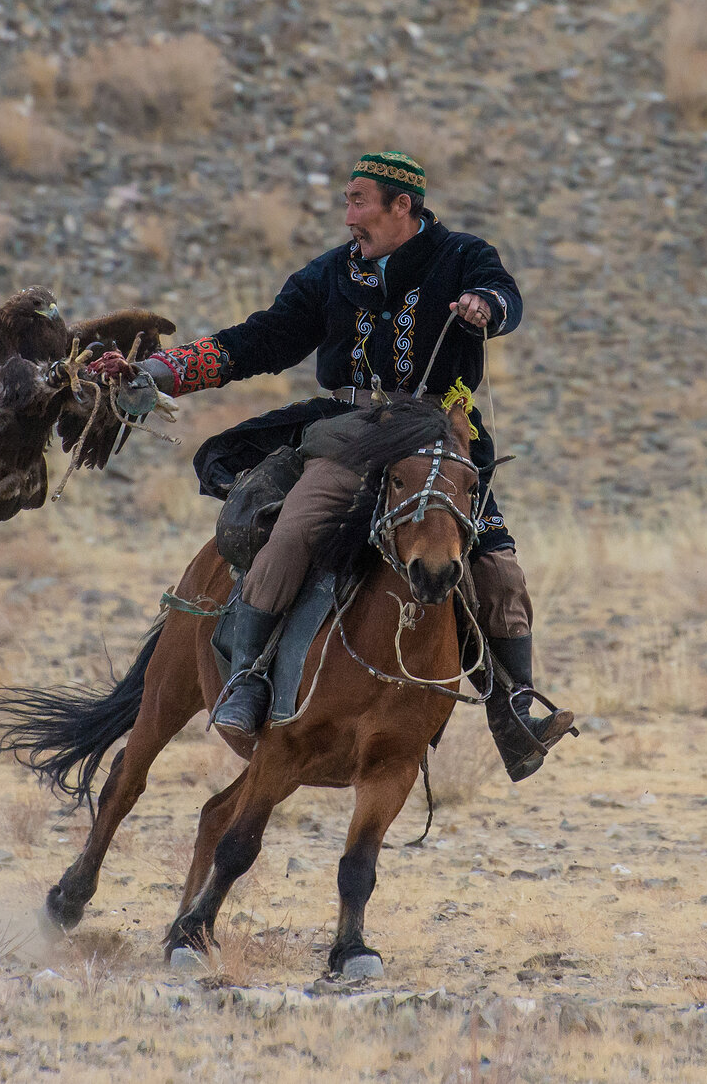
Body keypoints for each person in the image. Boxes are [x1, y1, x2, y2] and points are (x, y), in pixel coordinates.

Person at [137, 152, 573, 781]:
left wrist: (484, 304)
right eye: (346, 202)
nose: (349, 218)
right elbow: (262, 338)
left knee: (497, 566)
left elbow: (506, 297)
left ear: (404, 206)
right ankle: (244, 684)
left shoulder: (462, 255)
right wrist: (166, 370)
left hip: (437, 435)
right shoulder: (330, 274)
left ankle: (514, 712)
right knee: (290, 532)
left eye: (359, 202)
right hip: (350, 432)